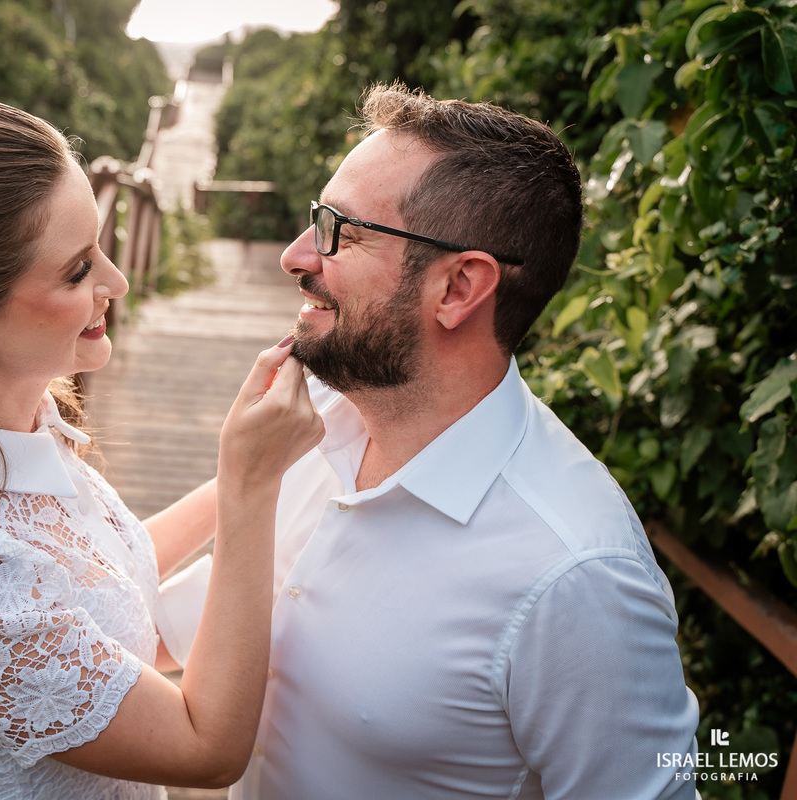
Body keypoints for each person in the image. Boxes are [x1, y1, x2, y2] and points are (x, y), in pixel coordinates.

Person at [159, 83, 701, 799]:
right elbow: (186, 629)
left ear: (458, 288)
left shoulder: (578, 578)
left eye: (340, 231)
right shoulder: (310, 427)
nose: (295, 256)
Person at [0, 96, 323, 800]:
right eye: (78, 270)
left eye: (102, 248)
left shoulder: (17, 420)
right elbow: (206, 750)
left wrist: (257, 465)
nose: (117, 282)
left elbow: (92, 577)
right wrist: (248, 486)